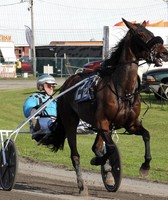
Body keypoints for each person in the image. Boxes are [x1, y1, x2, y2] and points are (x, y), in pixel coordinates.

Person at [23, 74, 57, 142]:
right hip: (41, 120)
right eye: (49, 85)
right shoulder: (34, 97)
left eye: (53, 86)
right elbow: (27, 110)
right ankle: (36, 126)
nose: (51, 88)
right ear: (41, 86)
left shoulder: (55, 100)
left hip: (54, 121)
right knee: (53, 124)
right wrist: (35, 109)